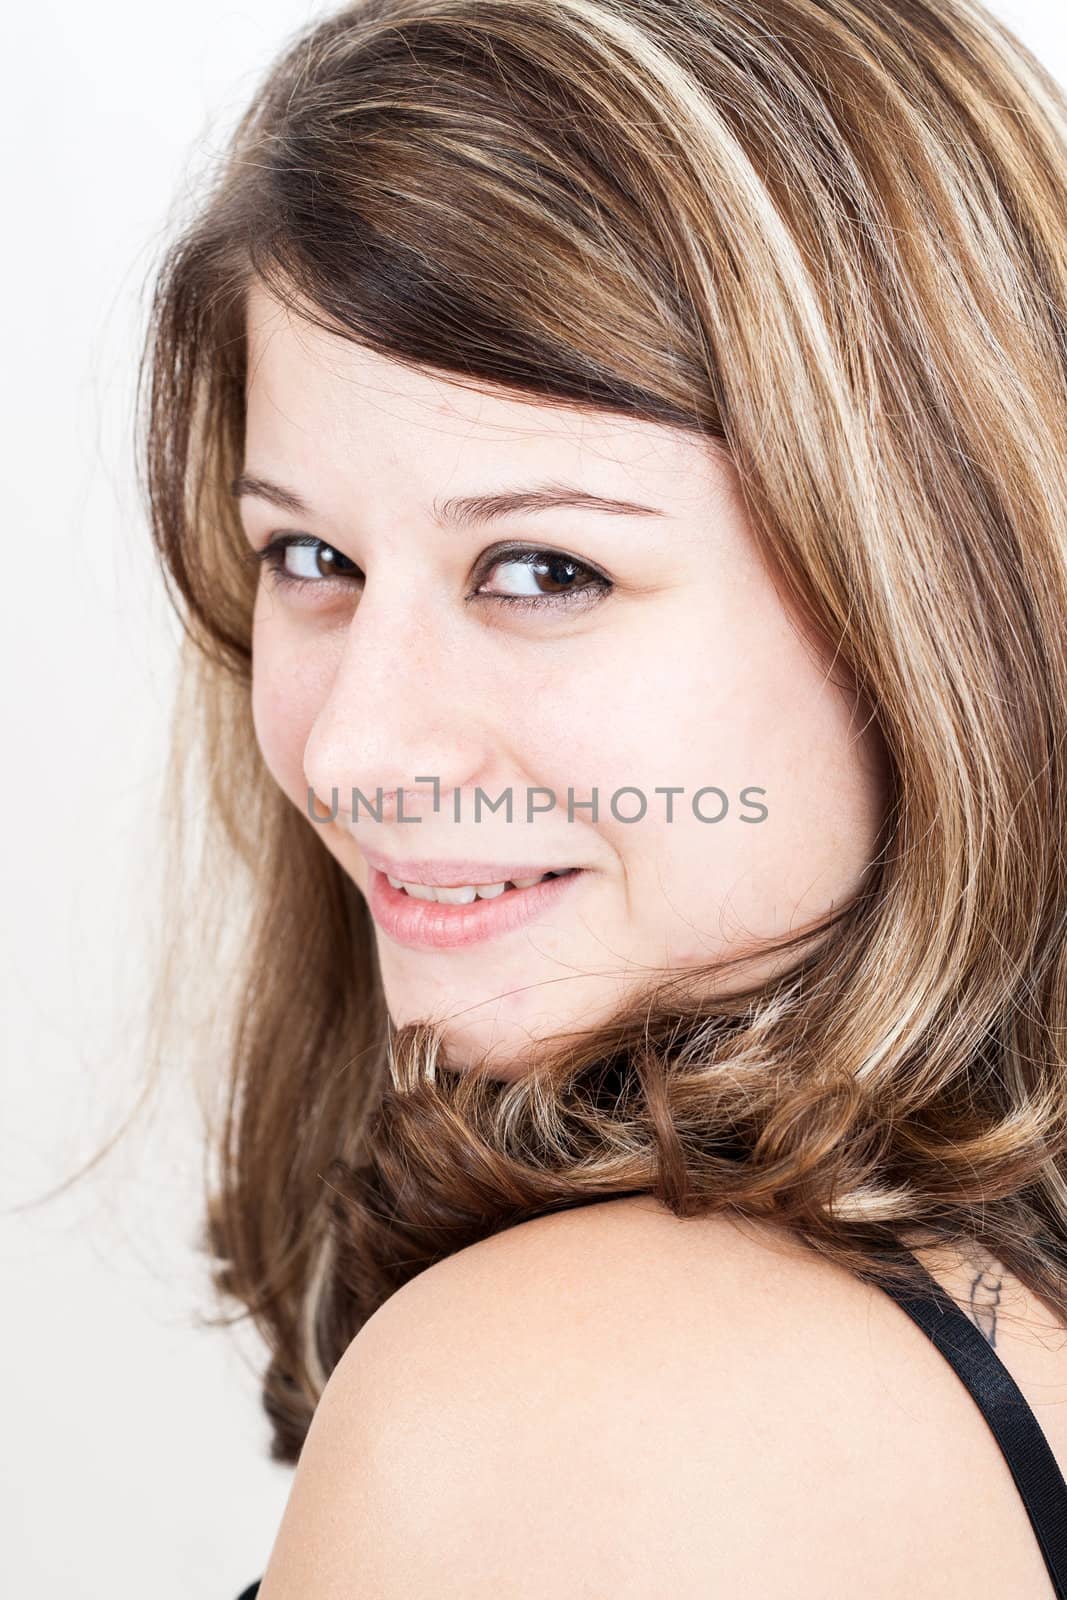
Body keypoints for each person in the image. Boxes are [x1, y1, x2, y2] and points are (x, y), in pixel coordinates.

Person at [136, 0, 1067, 1593]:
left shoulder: (564, 1416)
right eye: (312, 559)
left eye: (543, 568)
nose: (358, 748)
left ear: (929, 606)